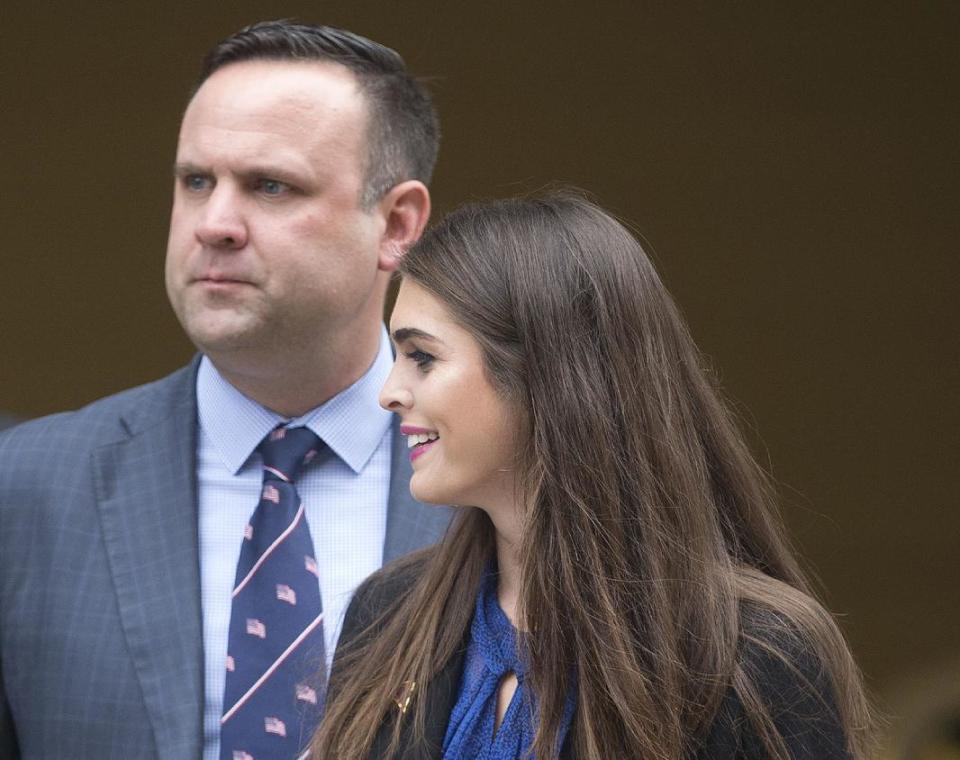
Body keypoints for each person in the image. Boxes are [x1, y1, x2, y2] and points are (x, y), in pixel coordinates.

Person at [0, 20, 450, 760]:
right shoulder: (28, 487)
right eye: (196, 181)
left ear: (397, 224)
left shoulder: (507, 487)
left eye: (271, 186)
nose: (214, 224)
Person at [313, 192, 876, 759]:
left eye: (423, 358)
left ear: (543, 374)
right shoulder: (386, 613)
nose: (389, 394)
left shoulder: (751, 658)